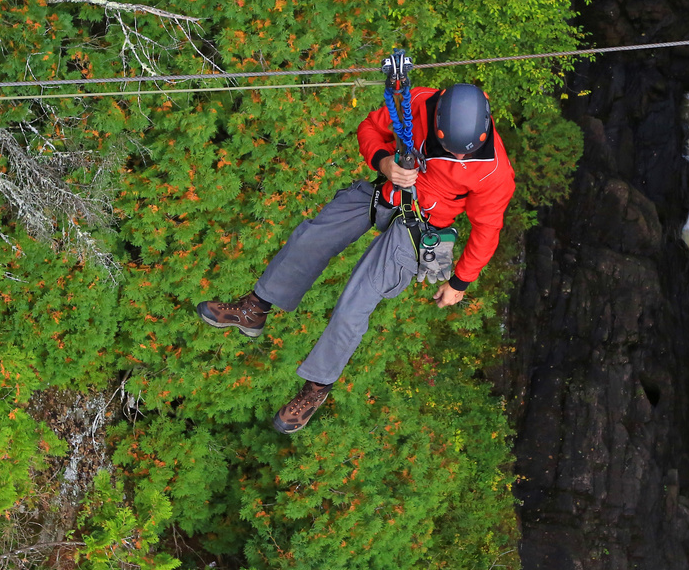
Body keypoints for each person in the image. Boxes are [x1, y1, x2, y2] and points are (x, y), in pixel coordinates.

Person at [197, 83, 516, 433]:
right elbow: (370, 127)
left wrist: (461, 281)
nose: (457, 159)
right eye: (451, 151)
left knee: (355, 301)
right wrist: (384, 162)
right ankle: (254, 309)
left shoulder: (494, 173)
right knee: (312, 237)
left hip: (423, 224)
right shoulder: (419, 104)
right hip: (388, 191)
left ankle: (316, 386)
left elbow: (487, 229)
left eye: (463, 155)